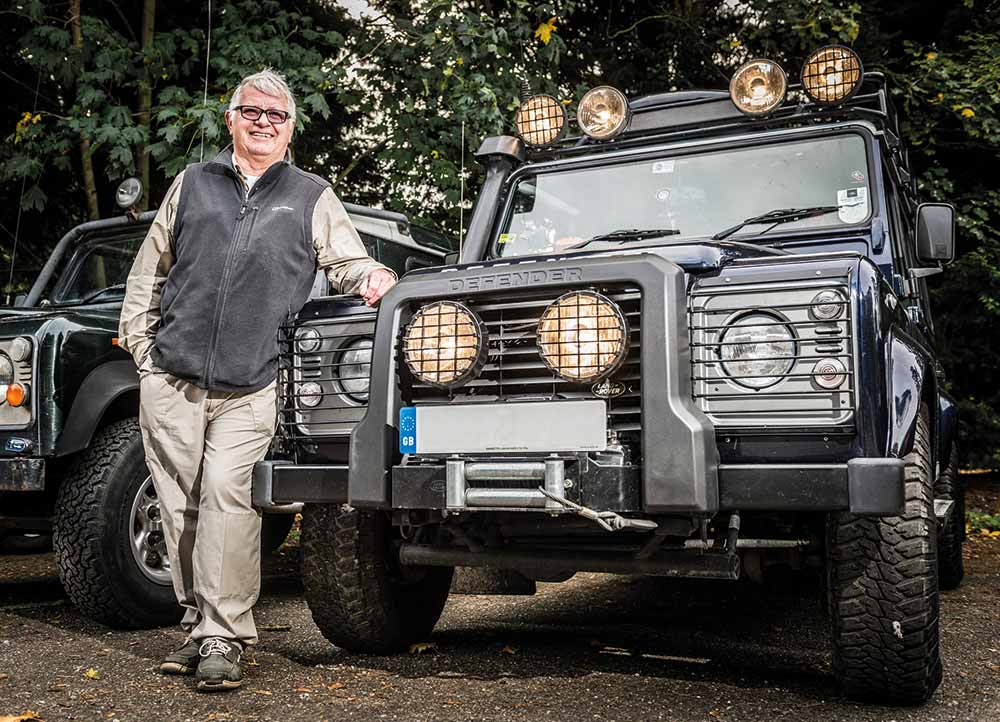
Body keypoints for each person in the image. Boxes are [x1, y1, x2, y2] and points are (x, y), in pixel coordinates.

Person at [118, 69, 396, 692]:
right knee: (179, 505)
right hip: (173, 379)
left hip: (254, 383)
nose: (264, 122)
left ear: (291, 128)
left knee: (226, 497)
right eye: (253, 112)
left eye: (276, 115)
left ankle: (225, 634)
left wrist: (373, 279)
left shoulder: (310, 194)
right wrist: (144, 352)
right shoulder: (191, 185)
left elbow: (348, 261)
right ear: (231, 118)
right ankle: (200, 624)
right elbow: (149, 272)